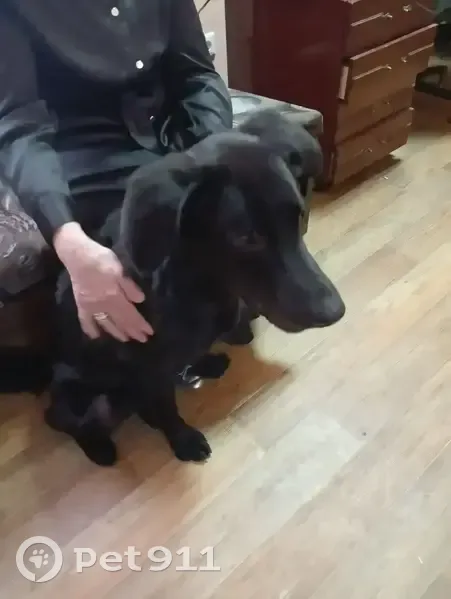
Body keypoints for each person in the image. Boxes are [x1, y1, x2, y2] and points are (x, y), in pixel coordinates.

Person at [0, 0, 233, 344]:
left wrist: (212, 149)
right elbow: (20, 125)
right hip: (78, 147)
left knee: (247, 195)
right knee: (152, 243)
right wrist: (67, 237)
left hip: (167, 128)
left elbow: (197, 74)